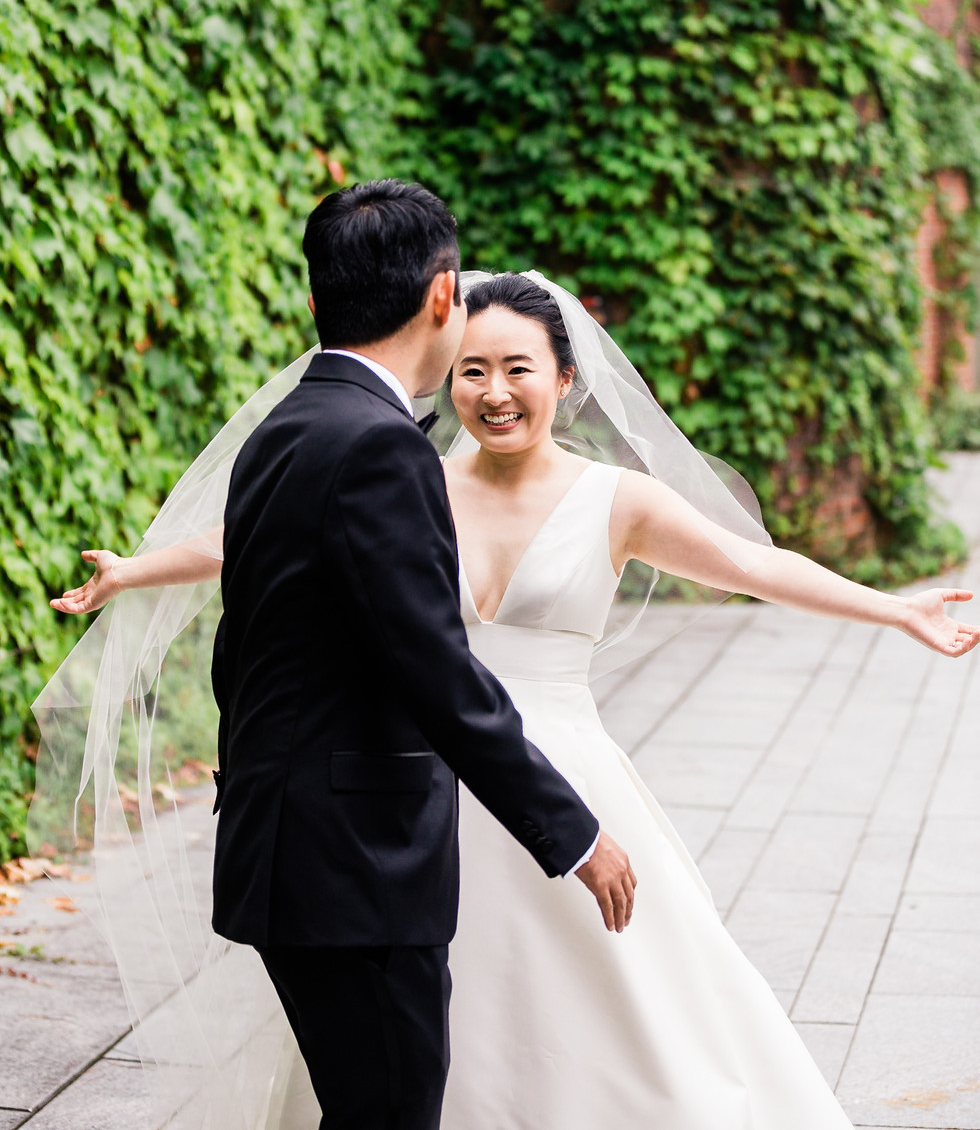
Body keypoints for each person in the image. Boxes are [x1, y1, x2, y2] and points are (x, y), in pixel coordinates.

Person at [45, 263, 978, 1129]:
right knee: (413, 1038)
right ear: (449, 375)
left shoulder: (618, 500)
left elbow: (751, 565)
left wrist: (894, 611)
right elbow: (243, 532)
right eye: (474, 370)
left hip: (565, 783)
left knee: (625, 1019)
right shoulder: (411, 476)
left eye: (518, 369)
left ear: (566, 379)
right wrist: (136, 572)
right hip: (419, 786)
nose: (494, 392)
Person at [39, 184, 638, 1130]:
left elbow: (244, 648)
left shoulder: (282, 431)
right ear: (444, 296)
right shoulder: (378, 448)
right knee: (391, 1111)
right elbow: (438, 672)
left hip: (292, 847)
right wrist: (572, 832)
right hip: (359, 867)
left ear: (317, 302)